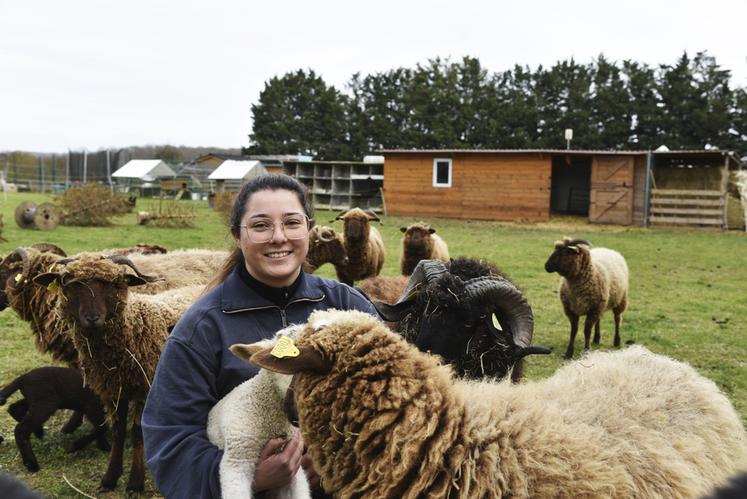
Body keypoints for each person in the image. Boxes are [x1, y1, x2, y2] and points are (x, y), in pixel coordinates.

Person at [142, 174, 379, 498]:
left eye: (292, 223)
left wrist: (337, 456)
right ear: (238, 236)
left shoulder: (346, 305)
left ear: (308, 230)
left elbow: (394, 395)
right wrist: (248, 475)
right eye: (261, 225)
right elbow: (170, 438)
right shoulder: (203, 328)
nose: (278, 237)